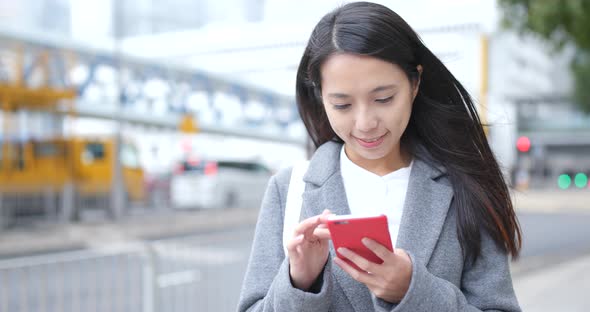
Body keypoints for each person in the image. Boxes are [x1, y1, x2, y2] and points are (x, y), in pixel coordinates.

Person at [237, 2, 522, 311]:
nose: (365, 123)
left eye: (384, 98)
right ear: (321, 97)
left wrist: (414, 292)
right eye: (342, 105)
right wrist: (298, 282)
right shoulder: (288, 189)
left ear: (415, 83)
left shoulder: (463, 185)